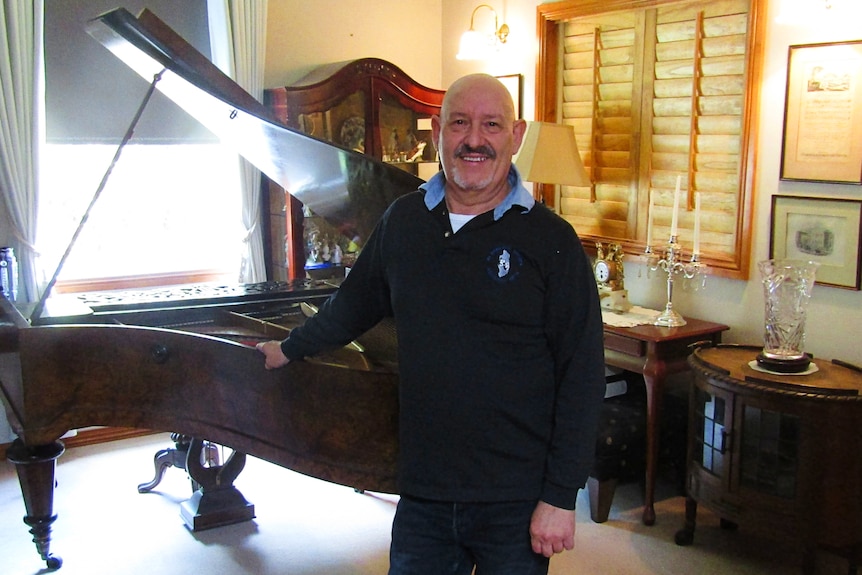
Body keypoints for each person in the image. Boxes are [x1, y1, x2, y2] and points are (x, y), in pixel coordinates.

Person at [257, 73, 606, 574]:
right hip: (424, 492)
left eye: (492, 125)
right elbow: (353, 305)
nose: (474, 139)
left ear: (517, 134)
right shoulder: (403, 222)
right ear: (438, 130)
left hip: (517, 496)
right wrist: (289, 348)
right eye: (460, 123)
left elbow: (582, 374)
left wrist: (560, 496)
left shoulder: (552, 241)